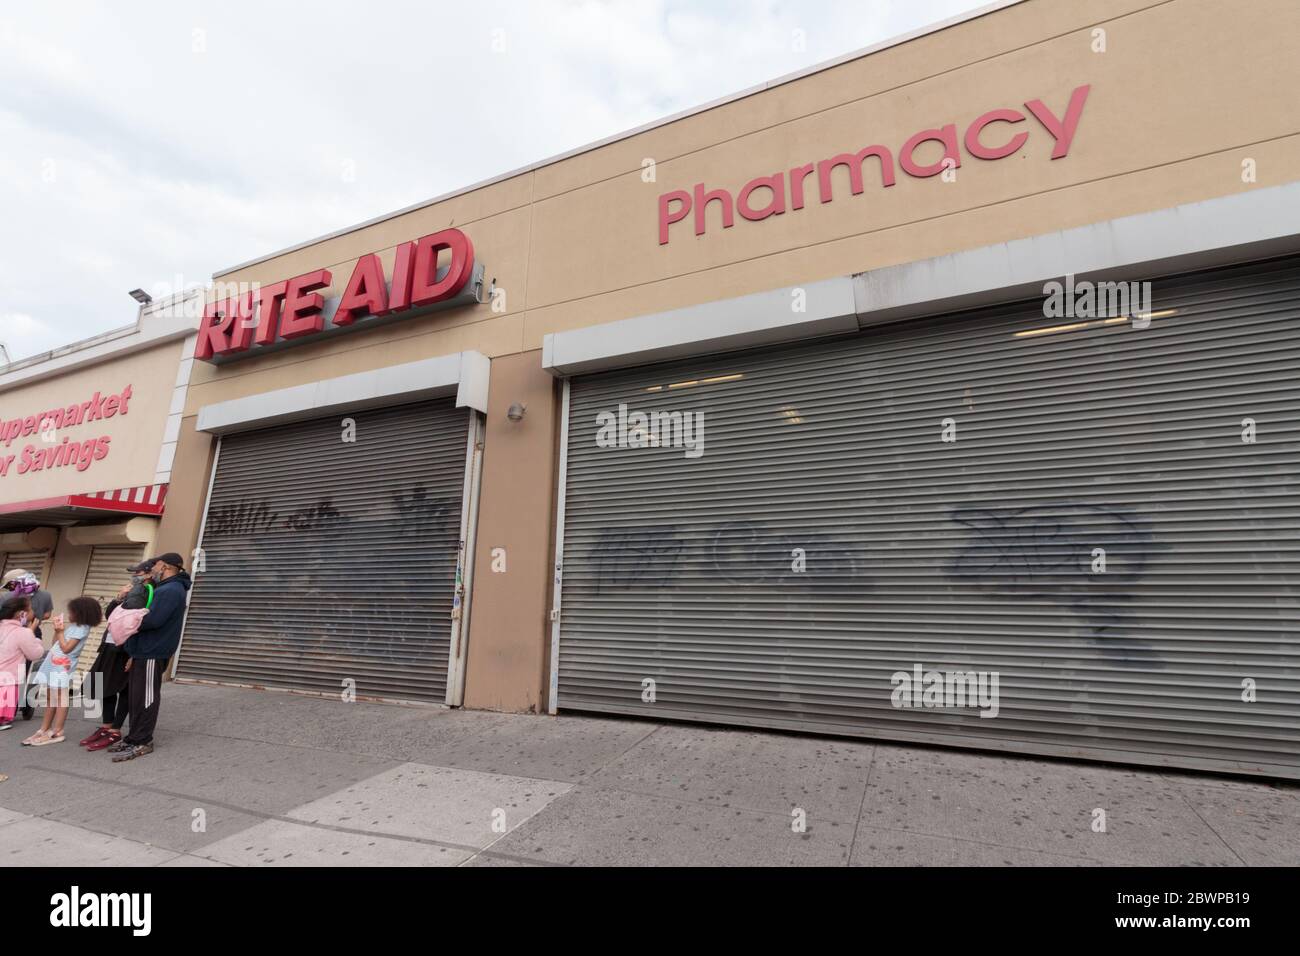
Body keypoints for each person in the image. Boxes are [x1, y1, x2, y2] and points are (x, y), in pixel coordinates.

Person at [108, 552, 190, 762]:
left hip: (154, 650)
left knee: (146, 698)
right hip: (143, 650)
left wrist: (129, 622)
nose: (153, 569)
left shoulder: (171, 590)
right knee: (136, 697)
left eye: (157, 565)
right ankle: (134, 737)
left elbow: (154, 620)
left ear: (167, 567)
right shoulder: (164, 588)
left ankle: (143, 741)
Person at [81, 560, 155, 752]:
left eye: (137, 572)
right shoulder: (133, 590)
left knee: (122, 689)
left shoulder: (146, 591)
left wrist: (133, 654)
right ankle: (106, 726)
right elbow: (111, 615)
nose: (134, 575)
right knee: (100, 686)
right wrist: (118, 597)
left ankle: (115, 730)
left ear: (148, 574)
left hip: (124, 648)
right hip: (109, 645)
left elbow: (133, 621)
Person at [23, 596, 103, 746]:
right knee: (50, 698)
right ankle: (44, 729)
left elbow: (67, 649)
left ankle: (57, 731)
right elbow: (56, 644)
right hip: (54, 663)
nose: (69, 614)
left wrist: (60, 632)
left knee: (60, 698)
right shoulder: (73, 626)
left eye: (71, 612)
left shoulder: (82, 629)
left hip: (62, 666)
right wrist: (57, 631)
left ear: (80, 613)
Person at [1, 569, 53, 721]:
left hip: (9, 634)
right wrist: (35, 619)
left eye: (9, 584)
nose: (9, 588)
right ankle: (27, 704)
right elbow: (48, 614)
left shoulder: (8, 597)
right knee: (28, 671)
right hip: (33, 633)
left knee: (9, 671)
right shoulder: (45, 595)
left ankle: (9, 707)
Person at [0, 596, 44, 731]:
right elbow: (35, 654)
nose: (33, 613)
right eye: (30, 609)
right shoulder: (23, 632)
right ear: (22, 614)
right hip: (9, 678)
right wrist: (35, 638)